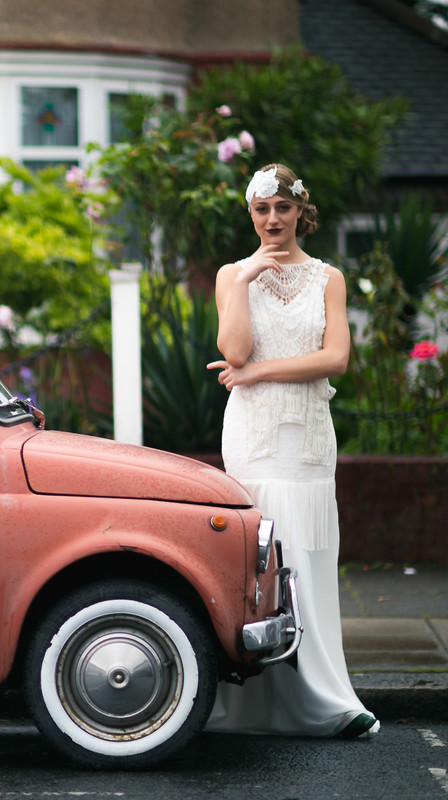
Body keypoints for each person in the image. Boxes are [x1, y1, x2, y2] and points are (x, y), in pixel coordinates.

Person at [204, 164, 378, 739]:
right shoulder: (234, 274)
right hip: (252, 438)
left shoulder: (328, 278)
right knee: (258, 565)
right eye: (262, 209)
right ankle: (251, 702)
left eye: (282, 208)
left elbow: (335, 360)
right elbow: (233, 349)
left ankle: (326, 697)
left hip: (305, 438)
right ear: (250, 214)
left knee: (305, 559)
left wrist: (257, 373)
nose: (273, 219)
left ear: (301, 210)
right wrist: (249, 275)